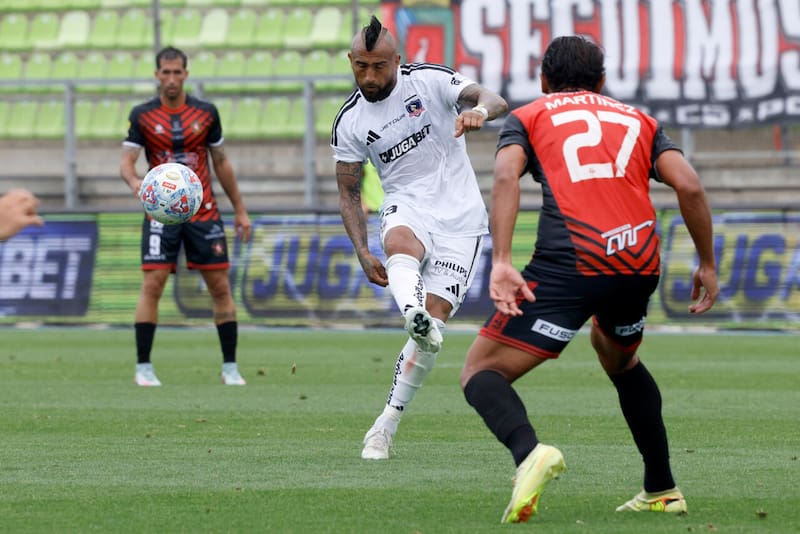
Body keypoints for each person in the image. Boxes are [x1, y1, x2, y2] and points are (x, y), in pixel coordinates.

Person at [459, 35, 719, 523]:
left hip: (571, 264)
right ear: (602, 82)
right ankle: (662, 488)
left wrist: (501, 261)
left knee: (480, 372)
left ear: (542, 80)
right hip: (638, 266)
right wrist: (706, 263)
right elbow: (688, 184)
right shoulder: (641, 121)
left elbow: (506, 177)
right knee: (618, 357)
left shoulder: (530, 116)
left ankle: (529, 453)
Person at [331, 16, 508, 460]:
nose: (370, 77)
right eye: (361, 67)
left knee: (438, 318)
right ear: (351, 62)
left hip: (463, 218)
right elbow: (349, 190)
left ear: (397, 60)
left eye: (379, 67)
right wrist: (360, 249)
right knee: (402, 245)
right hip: (407, 203)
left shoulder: (429, 82)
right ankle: (412, 313)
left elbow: (493, 98)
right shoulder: (350, 121)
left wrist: (478, 112)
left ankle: (386, 421)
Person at [120, 46, 252, 387]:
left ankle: (230, 368)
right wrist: (136, 182)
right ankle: (144, 367)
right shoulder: (142, 115)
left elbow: (221, 162)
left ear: (186, 74)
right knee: (153, 284)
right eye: (165, 72)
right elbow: (126, 162)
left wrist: (239, 209)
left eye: (177, 72)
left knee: (220, 287)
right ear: (157, 75)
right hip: (160, 214)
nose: (172, 79)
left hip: (204, 211)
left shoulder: (206, 113)